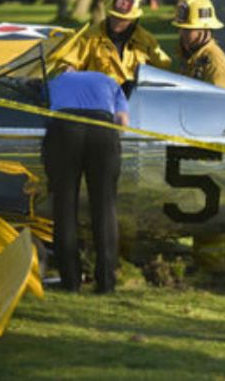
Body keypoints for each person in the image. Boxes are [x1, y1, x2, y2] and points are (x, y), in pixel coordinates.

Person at [171, 0, 225, 273]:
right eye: (181, 28)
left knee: (206, 209)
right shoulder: (193, 59)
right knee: (223, 209)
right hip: (203, 141)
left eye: (187, 29)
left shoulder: (214, 62)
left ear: (204, 29)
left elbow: (221, 109)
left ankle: (210, 269)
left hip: (213, 144)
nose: (183, 33)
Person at [42, 69, 129, 293]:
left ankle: (70, 281)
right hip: (103, 130)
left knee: (64, 205)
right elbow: (122, 121)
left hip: (65, 129)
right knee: (104, 206)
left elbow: (44, 107)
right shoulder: (111, 82)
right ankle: (106, 282)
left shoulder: (58, 80)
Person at [52, 0, 172, 96]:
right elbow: (68, 64)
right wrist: (69, 71)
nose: (118, 23)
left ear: (134, 17)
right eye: (115, 17)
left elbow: (165, 71)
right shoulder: (89, 37)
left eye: (123, 19)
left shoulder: (147, 41)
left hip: (135, 107)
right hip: (98, 104)